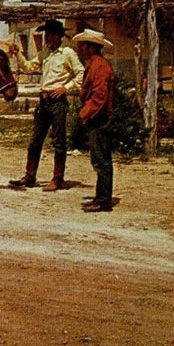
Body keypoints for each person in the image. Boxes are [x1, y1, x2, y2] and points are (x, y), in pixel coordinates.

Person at [6, 20, 84, 191]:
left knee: (59, 142)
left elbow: (81, 73)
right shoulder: (45, 53)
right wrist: (18, 54)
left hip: (57, 103)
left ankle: (57, 178)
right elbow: (28, 67)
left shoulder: (68, 53)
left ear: (56, 36)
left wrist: (66, 88)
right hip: (44, 102)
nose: (46, 37)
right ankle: (30, 175)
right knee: (35, 140)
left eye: (48, 34)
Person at [72, 29, 117, 212]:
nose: (80, 48)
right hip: (97, 117)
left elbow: (99, 96)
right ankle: (101, 197)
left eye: (83, 45)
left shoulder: (99, 67)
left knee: (101, 160)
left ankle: (103, 200)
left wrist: (84, 114)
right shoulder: (95, 64)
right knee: (100, 159)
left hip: (99, 118)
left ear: (91, 47)